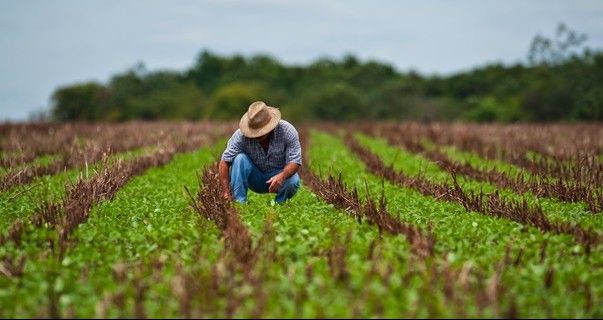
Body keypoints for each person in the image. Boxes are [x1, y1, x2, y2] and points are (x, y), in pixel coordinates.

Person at [219, 101, 302, 204]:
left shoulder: (287, 131)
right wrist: (226, 192)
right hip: (255, 178)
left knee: (293, 181)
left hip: (279, 176)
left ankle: (279, 205)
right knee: (239, 159)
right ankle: (239, 204)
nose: (257, 135)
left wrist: (282, 176)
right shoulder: (240, 136)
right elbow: (224, 162)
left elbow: (295, 161)